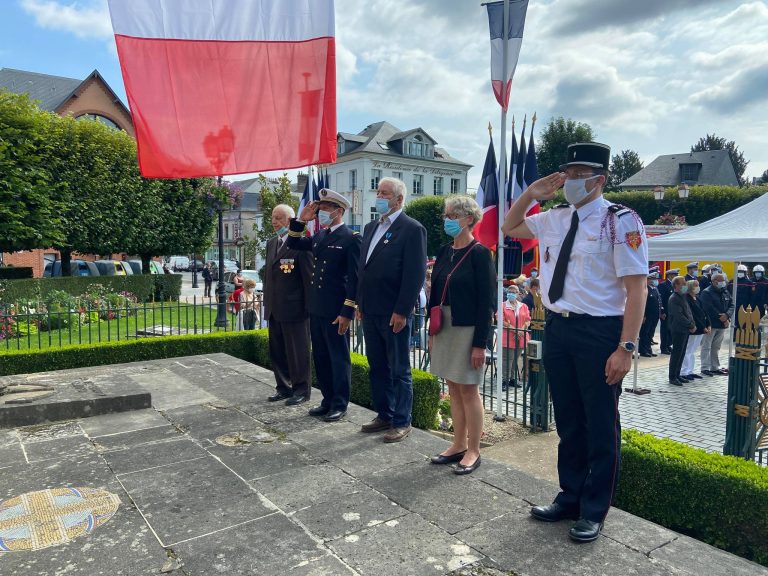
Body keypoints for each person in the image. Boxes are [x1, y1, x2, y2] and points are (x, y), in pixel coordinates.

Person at [501, 142, 648, 543]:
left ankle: (594, 509)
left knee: (599, 423)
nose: (569, 181)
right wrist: (531, 194)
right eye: (567, 173)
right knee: (567, 419)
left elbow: (637, 289)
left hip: (600, 331)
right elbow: (510, 228)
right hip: (558, 328)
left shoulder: (621, 221)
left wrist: (627, 347)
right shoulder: (555, 217)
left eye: (578, 175)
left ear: (599, 180)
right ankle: (569, 496)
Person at [428, 195, 495, 474]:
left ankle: (474, 450)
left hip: (467, 327)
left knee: (468, 388)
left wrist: (480, 344)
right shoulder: (444, 251)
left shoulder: (480, 253)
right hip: (444, 325)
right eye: (446, 215)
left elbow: (486, 303)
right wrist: (431, 332)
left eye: (452, 215)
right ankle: (457, 444)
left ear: (468, 219)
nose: (447, 220)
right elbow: (434, 293)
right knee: (452, 386)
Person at [357, 177, 427, 443]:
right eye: (378, 191)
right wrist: (360, 302)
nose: (379, 196)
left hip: (393, 313)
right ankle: (384, 414)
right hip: (371, 309)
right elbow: (363, 269)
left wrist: (402, 310)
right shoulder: (370, 226)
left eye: (385, 193)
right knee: (377, 366)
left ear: (399, 199)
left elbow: (414, 274)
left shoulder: (412, 229)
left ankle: (401, 420)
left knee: (399, 369)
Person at [287, 188, 361, 422]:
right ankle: (327, 399)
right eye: (321, 209)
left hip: (336, 309)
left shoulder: (351, 238)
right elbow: (294, 243)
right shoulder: (320, 236)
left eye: (326, 209)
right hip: (317, 307)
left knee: (338, 358)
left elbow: (355, 279)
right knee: (320, 356)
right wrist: (301, 220)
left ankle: (340, 403)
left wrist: (347, 311)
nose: (321, 213)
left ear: (339, 211)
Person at [263, 204, 314, 405]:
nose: (275, 222)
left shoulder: (300, 245)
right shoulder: (271, 243)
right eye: (273, 217)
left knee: (297, 352)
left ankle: (301, 390)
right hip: (274, 308)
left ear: (291, 220)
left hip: (295, 309)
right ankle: (283, 387)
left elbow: (308, 278)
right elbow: (269, 277)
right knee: (278, 351)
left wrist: (309, 308)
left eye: (280, 218)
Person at [699, 272, 733, 377]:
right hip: (711, 324)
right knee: (706, 346)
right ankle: (705, 367)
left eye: (723, 280)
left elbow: (732, 304)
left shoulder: (725, 291)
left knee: (716, 347)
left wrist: (727, 315)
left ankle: (714, 367)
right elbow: (708, 308)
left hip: (722, 324)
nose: (723, 283)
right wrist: (722, 318)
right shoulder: (707, 292)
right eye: (721, 281)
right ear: (714, 281)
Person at [666, 276, 696, 386]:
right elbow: (679, 316)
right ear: (676, 285)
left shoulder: (682, 296)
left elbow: (688, 312)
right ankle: (672, 377)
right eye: (683, 284)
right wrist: (690, 324)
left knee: (682, 353)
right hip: (678, 329)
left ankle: (677, 375)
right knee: (676, 354)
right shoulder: (674, 298)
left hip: (685, 329)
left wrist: (692, 324)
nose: (685, 286)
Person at [680, 279, 710, 381]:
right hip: (694, 328)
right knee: (687, 350)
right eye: (695, 285)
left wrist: (708, 324)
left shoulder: (697, 298)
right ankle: (684, 371)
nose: (697, 287)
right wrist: (703, 327)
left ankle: (690, 371)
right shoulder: (686, 299)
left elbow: (704, 312)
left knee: (692, 351)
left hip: (701, 329)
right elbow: (693, 316)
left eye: (698, 285)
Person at [501, 284, 530, 389]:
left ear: (518, 293)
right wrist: (515, 329)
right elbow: (501, 319)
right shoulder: (503, 305)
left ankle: (512, 379)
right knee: (507, 359)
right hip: (508, 336)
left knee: (515, 359)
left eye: (513, 292)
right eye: (509, 292)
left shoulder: (523, 306)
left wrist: (521, 329)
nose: (511, 294)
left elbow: (528, 319)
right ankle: (505, 380)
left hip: (521, 336)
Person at [639, 271, 661, 357]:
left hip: (654, 315)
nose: (655, 280)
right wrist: (643, 315)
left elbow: (659, 301)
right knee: (645, 333)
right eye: (653, 279)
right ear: (648, 279)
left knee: (650, 333)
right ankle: (643, 350)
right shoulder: (645, 289)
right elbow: (643, 303)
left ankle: (648, 349)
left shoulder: (655, 289)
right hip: (647, 315)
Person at [658, 268, 677, 355]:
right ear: (670, 275)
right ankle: (664, 347)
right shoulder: (663, 285)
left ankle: (669, 345)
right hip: (666, 312)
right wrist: (662, 312)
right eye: (674, 275)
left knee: (671, 330)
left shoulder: (674, 285)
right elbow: (660, 299)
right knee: (665, 330)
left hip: (673, 312)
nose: (676, 276)